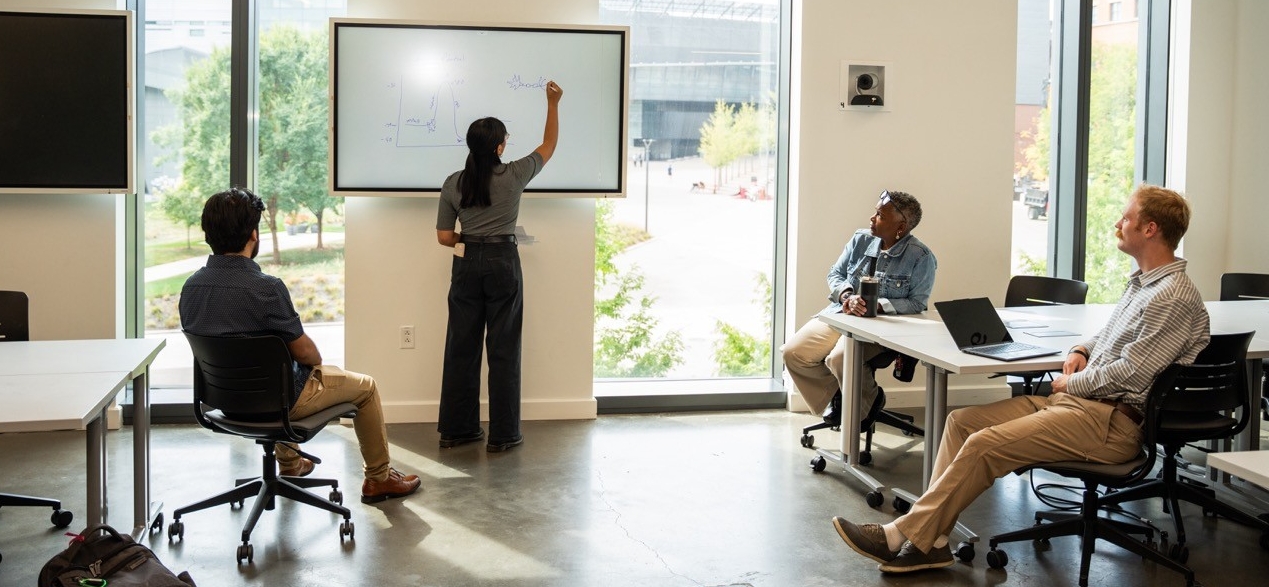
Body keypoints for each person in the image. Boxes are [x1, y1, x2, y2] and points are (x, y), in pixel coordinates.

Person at [832, 184, 1211, 574]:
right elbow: (1110, 338)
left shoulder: (1172, 296)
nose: (1118, 223)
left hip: (1110, 424)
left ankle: (898, 535)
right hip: (1080, 408)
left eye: (1126, 217)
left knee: (984, 445)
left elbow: (1132, 371)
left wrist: (1070, 384)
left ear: (1150, 229)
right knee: (962, 423)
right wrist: (1082, 349)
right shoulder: (1143, 284)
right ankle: (936, 541)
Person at [180, 187, 421, 504]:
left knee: (278, 379)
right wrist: (316, 365)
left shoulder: (191, 288)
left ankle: (291, 464)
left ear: (208, 234)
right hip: (278, 402)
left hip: (223, 401)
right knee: (365, 387)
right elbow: (306, 353)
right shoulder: (266, 289)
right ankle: (378, 480)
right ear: (254, 234)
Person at [435, 80, 563, 452]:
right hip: (504, 263)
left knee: (462, 347)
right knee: (504, 349)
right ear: (499, 146)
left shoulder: (453, 182)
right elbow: (549, 145)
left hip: (468, 262)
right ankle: (504, 435)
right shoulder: (515, 175)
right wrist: (552, 103)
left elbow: (445, 237)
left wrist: (470, 240)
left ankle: (458, 430)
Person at [782, 190, 937, 429]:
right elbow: (835, 273)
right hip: (841, 314)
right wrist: (846, 295)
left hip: (882, 328)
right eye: (875, 212)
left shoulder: (921, 257)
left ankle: (861, 410)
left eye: (880, 215)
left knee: (839, 359)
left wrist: (880, 305)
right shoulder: (860, 239)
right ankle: (844, 396)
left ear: (901, 226)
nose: (871, 218)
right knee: (794, 353)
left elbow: (918, 303)